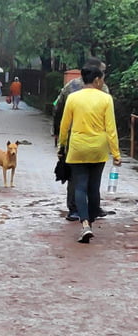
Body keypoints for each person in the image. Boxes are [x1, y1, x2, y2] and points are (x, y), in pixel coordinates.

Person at [57, 65, 120, 243]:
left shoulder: (73, 98)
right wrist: (116, 153)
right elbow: (111, 129)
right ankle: (90, 223)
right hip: (98, 150)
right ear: (97, 79)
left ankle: (84, 224)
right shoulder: (106, 99)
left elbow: (64, 126)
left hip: (77, 148)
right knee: (94, 188)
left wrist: (61, 147)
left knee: (80, 187)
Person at [53, 58, 110, 221]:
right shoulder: (103, 89)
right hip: (98, 140)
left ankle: (74, 209)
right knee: (94, 175)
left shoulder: (70, 86)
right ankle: (94, 207)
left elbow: (58, 108)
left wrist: (58, 134)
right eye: (103, 72)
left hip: (74, 138)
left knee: (74, 176)